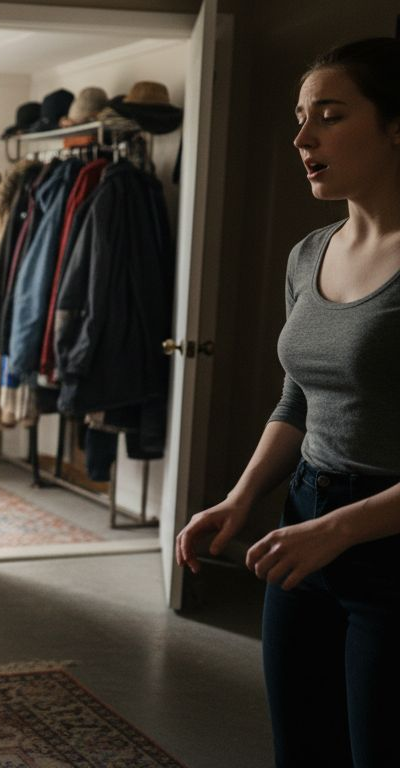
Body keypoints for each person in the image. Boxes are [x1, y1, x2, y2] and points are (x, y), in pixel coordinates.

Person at [175, 38, 400, 767]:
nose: (302, 139)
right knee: (302, 750)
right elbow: (297, 397)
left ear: (396, 125)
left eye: (329, 116)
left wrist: (343, 529)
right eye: (300, 118)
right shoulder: (309, 253)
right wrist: (241, 500)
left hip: (387, 543)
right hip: (303, 523)